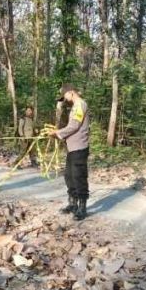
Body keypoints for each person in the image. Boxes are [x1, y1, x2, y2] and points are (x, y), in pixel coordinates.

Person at [49, 84, 90, 220]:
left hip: (79, 147)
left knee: (79, 176)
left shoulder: (80, 104)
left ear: (71, 93)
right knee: (69, 175)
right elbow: (70, 125)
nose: (65, 99)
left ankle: (82, 207)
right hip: (72, 147)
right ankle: (72, 203)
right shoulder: (74, 106)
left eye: (65, 96)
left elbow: (74, 125)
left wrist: (58, 133)